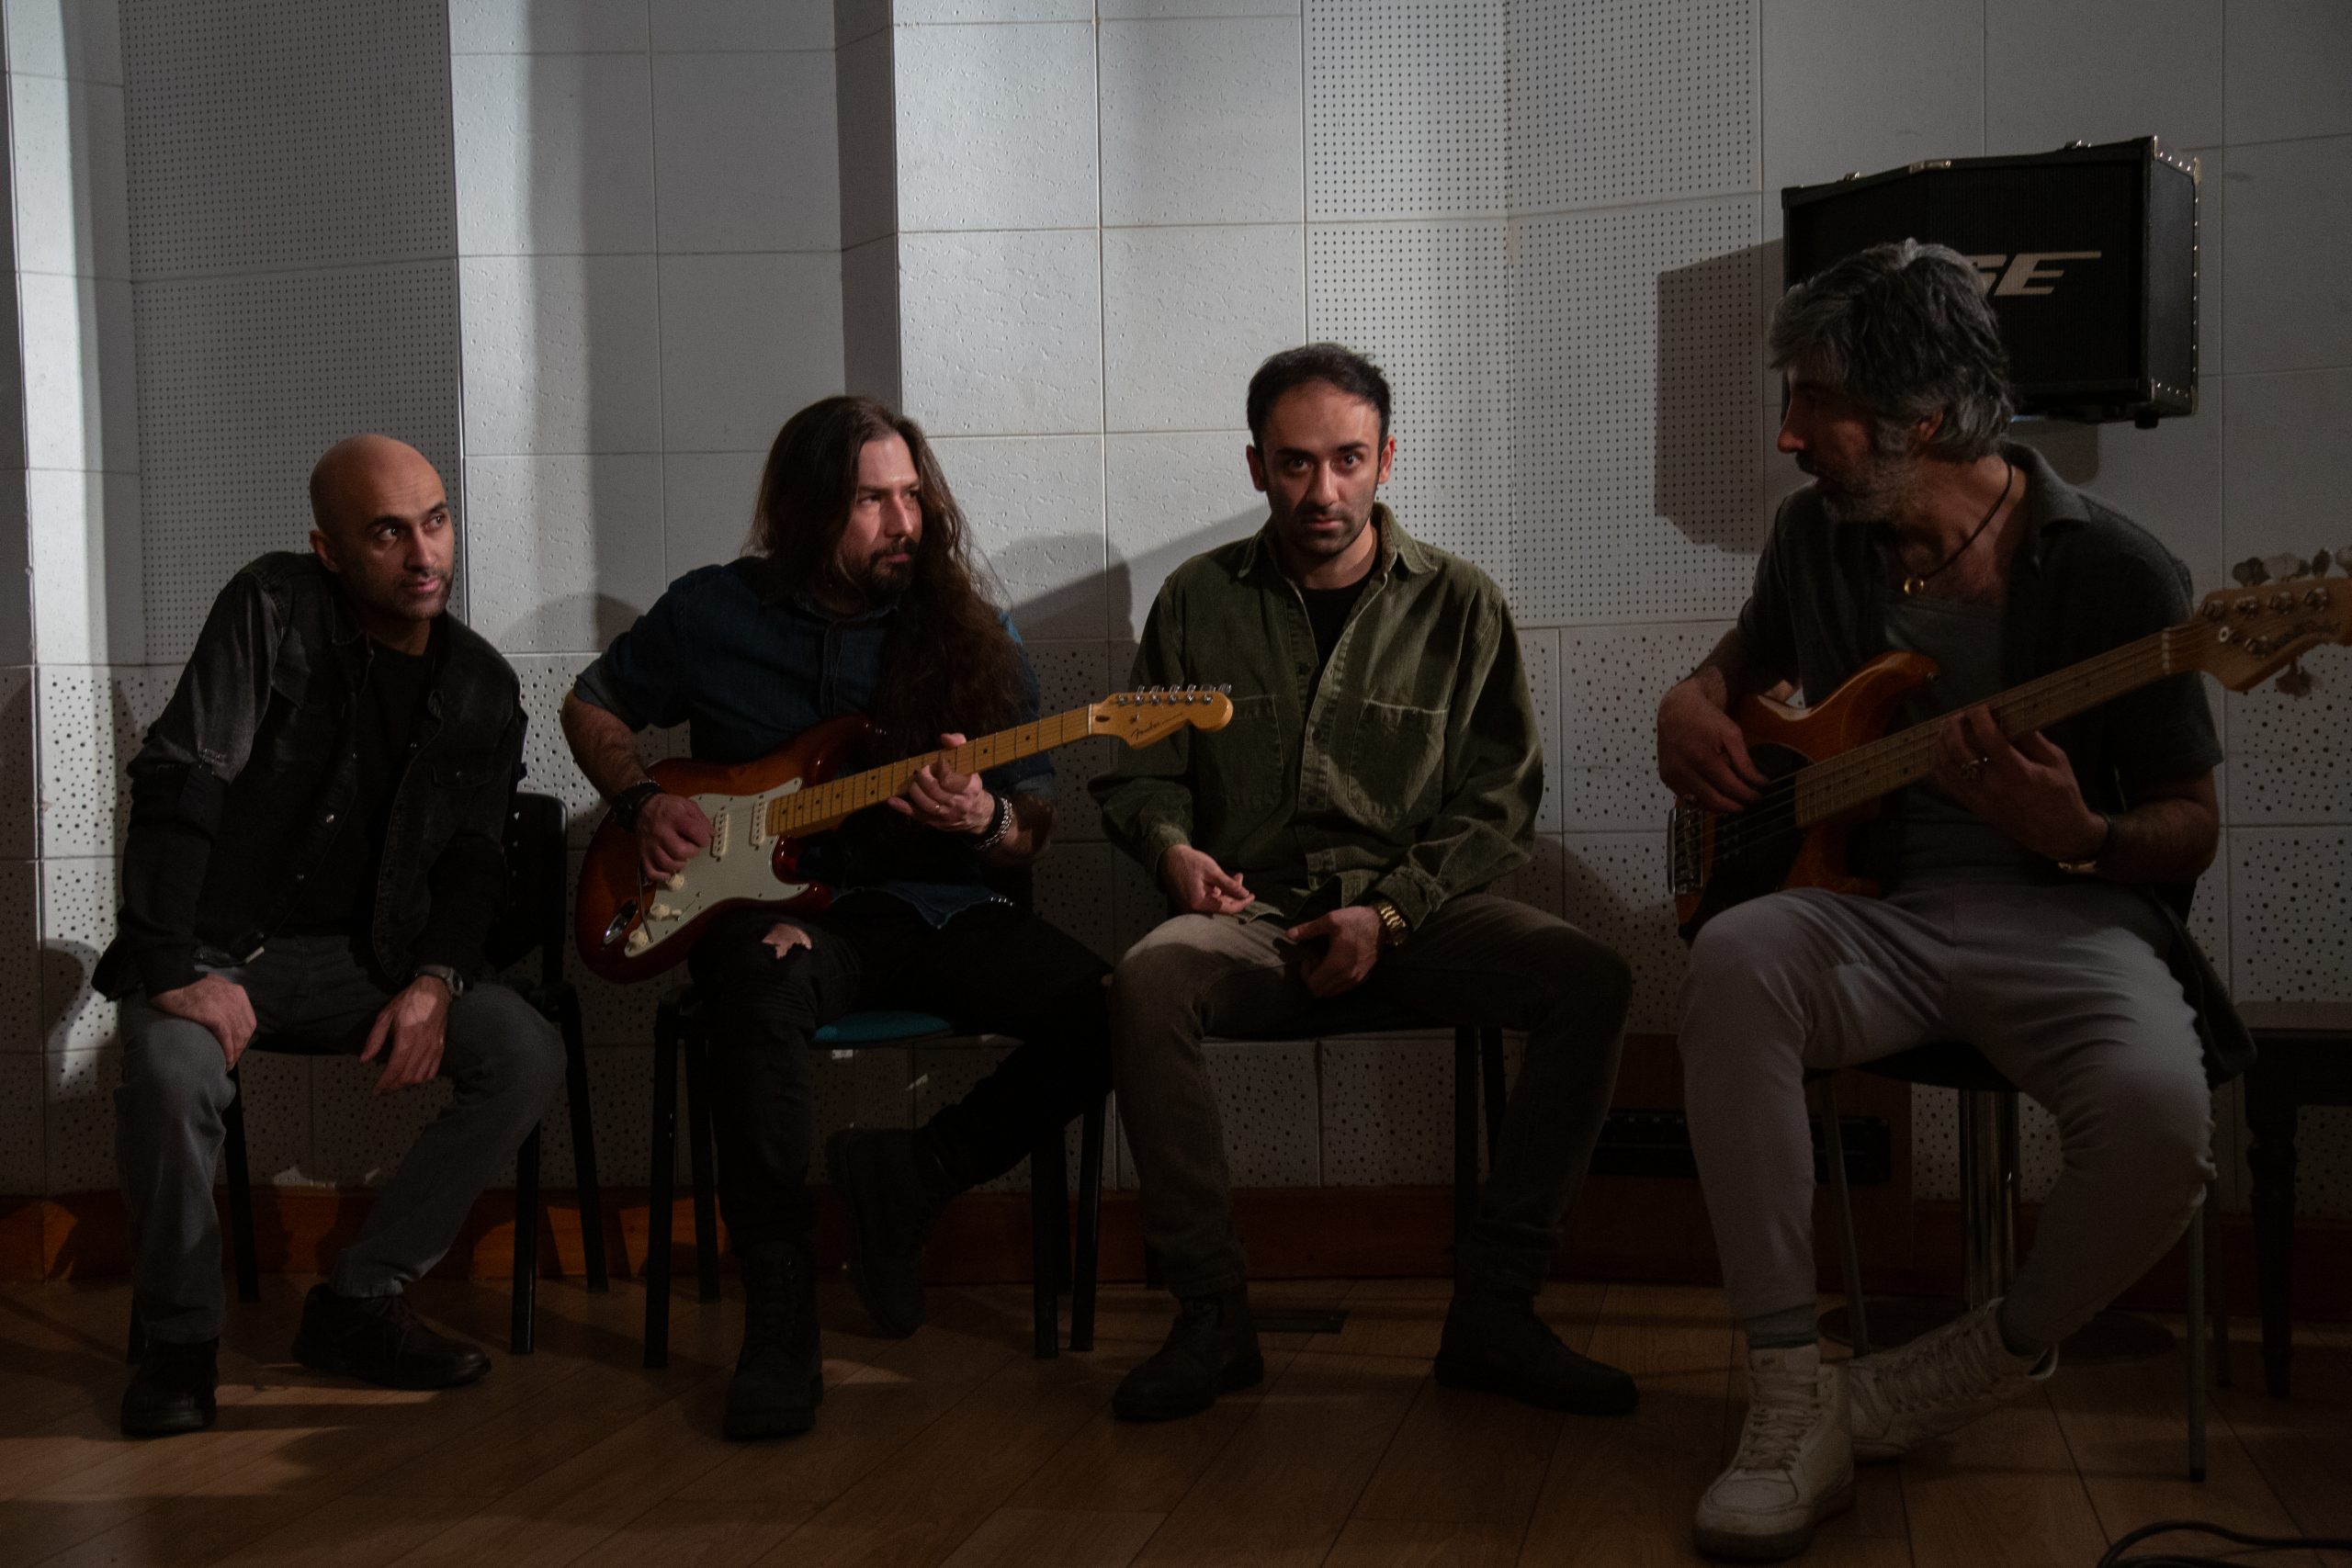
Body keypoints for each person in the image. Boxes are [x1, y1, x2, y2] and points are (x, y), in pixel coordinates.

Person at [1657, 240, 2241, 1560]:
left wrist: (2082, 831)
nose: (1789, 434)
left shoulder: (2118, 574)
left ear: (1920, 417)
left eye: (1814, 401)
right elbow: (1739, 661)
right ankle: (1789, 1386)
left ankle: (1968, 1366)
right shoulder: (1815, 536)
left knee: (2162, 1124)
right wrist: (1687, 701)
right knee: (1733, 959)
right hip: (1866, 905)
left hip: (2067, 915)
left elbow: (2191, 825)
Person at [1091, 343, 1639, 1424]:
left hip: (1416, 910)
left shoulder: (1459, 604)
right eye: (1295, 463)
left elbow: (1497, 805)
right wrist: (1170, 851)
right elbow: (1142, 774)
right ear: (1256, 466)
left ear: (1386, 459)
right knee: (1146, 983)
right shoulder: (1196, 601)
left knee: (1592, 981)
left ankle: (1496, 1311)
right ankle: (1210, 1316)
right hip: (1252, 915)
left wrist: (1387, 914)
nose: (1322, 491)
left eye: (1347, 459)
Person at [560, 394, 1112, 1441]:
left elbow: (1033, 820)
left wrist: (986, 818)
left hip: (945, 907)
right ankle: (780, 1299)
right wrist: (641, 802)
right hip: (787, 918)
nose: (904, 522)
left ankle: (915, 1174)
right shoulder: (712, 612)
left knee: (1110, 1010)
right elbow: (591, 703)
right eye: (871, 501)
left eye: (912, 495)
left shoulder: (968, 630)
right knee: (757, 989)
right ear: (807, 510)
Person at [98, 435, 565, 1438]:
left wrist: (436, 981)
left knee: (524, 1051)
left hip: (379, 964)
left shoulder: (481, 684)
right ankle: (179, 1343)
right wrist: (171, 965)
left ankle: (361, 1299)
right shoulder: (273, 608)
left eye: (435, 521)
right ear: (329, 549)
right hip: (227, 953)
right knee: (171, 1073)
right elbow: (182, 774)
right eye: (388, 533)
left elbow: (476, 860)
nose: (424, 554)